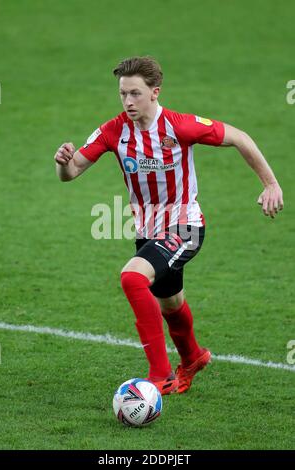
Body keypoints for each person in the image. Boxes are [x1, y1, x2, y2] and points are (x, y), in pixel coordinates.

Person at [54, 56, 284, 395]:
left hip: (185, 228)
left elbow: (239, 137)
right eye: (122, 94)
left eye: (135, 93)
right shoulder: (113, 131)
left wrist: (271, 184)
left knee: (133, 278)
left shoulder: (179, 126)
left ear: (154, 92)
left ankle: (159, 375)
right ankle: (192, 358)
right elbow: (71, 172)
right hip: (148, 233)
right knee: (171, 304)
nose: (128, 101)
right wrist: (62, 163)